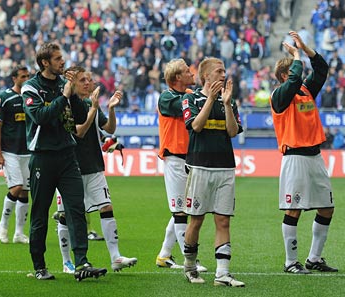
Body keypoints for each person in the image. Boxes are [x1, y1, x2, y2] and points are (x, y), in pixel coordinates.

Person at [21, 42, 107, 281]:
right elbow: (40, 117)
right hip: (43, 157)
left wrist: (79, 96)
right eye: (58, 58)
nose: (63, 62)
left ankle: (82, 263)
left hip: (68, 155)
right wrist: (64, 95)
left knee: (76, 209)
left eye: (62, 57)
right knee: (39, 213)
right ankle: (39, 266)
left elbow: (79, 114)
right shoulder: (31, 87)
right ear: (45, 62)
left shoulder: (63, 84)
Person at [55, 67, 137, 273]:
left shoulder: (90, 104)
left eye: (90, 80)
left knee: (106, 207)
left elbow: (109, 129)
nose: (87, 83)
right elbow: (80, 133)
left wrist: (110, 108)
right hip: (69, 169)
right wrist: (93, 108)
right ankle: (67, 262)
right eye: (82, 80)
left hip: (93, 166)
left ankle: (115, 257)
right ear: (72, 83)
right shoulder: (68, 105)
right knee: (65, 215)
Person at [270, 31, 337, 274]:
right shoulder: (279, 96)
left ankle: (314, 258)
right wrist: (296, 56)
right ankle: (290, 262)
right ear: (283, 77)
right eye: (292, 73)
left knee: (326, 207)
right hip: (295, 156)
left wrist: (306, 50)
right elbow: (295, 78)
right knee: (294, 209)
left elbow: (321, 69)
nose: (298, 76)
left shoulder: (306, 91)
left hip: (315, 156)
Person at [181, 57, 245, 287]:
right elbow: (196, 126)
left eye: (224, 71)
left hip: (225, 167)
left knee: (223, 220)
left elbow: (232, 131)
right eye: (219, 71)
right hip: (200, 167)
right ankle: (189, 267)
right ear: (206, 76)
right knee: (196, 220)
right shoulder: (191, 98)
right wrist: (210, 99)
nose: (223, 74)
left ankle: (222, 274)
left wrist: (227, 104)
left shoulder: (229, 101)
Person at [155, 58, 207, 273]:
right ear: (177, 78)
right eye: (187, 71)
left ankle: (164, 255)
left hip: (189, 158)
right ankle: (190, 259)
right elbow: (186, 106)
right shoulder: (167, 98)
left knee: (182, 208)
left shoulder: (186, 95)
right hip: (175, 159)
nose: (192, 73)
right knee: (180, 211)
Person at [0, 65, 31, 244]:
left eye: (28, 76)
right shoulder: (4, 98)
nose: (26, 79)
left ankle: (19, 233)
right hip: (10, 152)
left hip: (28, 152)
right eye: (23, 77)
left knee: (25, 192)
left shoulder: (32, 98)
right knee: (16, 187)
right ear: (14, 78)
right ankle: (3, 224)